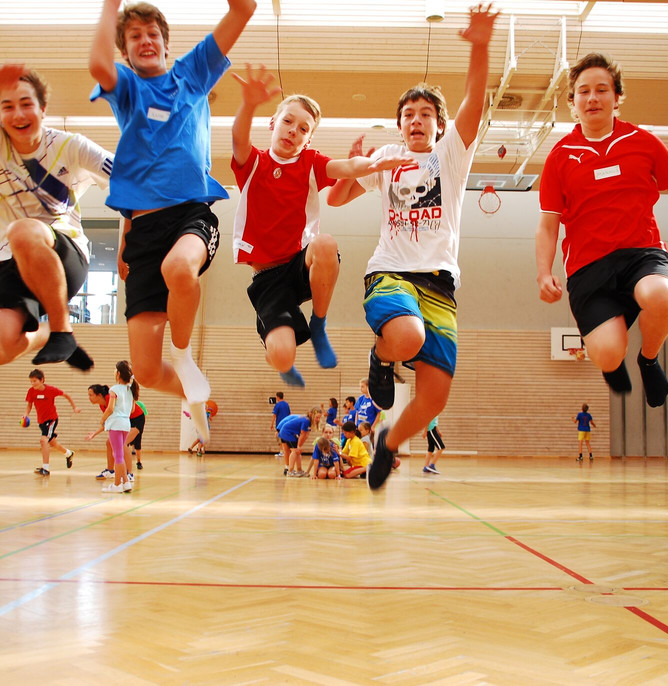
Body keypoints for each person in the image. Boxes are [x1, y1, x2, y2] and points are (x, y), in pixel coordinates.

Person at [326, 5, 499, 491]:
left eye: (426, 114)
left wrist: (480, 45)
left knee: (435, 398)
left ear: (439, 125)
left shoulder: (451, 155)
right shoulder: (387, 157)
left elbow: (475, 101)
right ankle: (381, 358)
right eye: (408, 115)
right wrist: (356, 165)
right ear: (400, 125)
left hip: (439, 282)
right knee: (407, 336)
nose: (416, 121)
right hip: (392, 272)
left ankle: (388, 442)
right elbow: (336, 199)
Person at [534, 53, 668, 409]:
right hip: (589, 268)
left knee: (661, 296)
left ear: (617, 97)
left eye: (602, 89)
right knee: (606, 353)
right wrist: (544, 272)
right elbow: (548, 223)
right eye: (583, 91)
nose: (592, 98)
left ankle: (648, 359)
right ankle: (613, 361)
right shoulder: (561, 155)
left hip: (641, 254)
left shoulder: (643, 141)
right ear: (572, 102)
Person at [89, 0, 257, 445]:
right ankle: (192, 395)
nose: (145, 41)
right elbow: (98, 65)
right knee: (144, 371)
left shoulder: (192, 74)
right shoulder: (127, 88)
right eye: (134, 36)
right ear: (125, 50)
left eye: (152, 34)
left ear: (166, 42)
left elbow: (244, 11)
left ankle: (182, 355)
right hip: (143, 232)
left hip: (190, 215)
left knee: (180, 269)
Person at [230, 66, 411, 386]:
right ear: (272, 123)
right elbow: (238, 138)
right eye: (287, 122)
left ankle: (319, 323)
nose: (293, 131)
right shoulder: (254, 163)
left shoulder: (310, 163)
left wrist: (374, 164)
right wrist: (248, 104)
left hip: (301, 264)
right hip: (269, 279)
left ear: (309, 139)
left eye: (303, 129)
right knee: (282, 356)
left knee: (325, 243)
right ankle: (273, 349)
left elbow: (347, 166)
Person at [0, 65, 113, 372]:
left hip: (62, 254)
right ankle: (45, 334)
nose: (18, 115)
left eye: (26, 104)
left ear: (43, 108)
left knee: (23, 231)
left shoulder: (69, 145)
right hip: (10, 262)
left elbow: (128, 177)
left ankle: (62, 330)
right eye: (7, 107)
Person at [87, 361, 137, 493]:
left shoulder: (114, 389)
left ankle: (116, 485)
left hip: (116, 424)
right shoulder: (130, 390)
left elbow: (110, 409)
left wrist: (102, 419)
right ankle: (126, 482)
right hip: (126, 424)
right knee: (119, 454)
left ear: (118, 373)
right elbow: (132, 410)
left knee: (118, 455)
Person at [24, 369, 78, 475]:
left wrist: (74, 407)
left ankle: (46, 468)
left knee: (43, 440)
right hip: (41, 421)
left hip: (51, 420)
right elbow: (29, 405)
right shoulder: (31, 391)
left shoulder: (51, 390)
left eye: (35, 381)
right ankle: (68, 454)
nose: (33, 383)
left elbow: (66, 395)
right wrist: (26, 414)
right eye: (31, 381)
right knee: (52, 442)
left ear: (42, 380)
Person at [277, 407, 322, 477]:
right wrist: (299, 446)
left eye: (319, 418)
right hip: (287, 433)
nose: (318, 419)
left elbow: (306, 436)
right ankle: (290, 471)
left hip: (289, 433)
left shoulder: (309, 422)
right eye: (317, 417)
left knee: (298, 452)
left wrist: (300, 446)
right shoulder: (306, 421)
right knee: (295, 451)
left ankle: (299, 470)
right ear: (311, 415)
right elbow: (302, 434)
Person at [87, 384, 117, 480]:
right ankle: (111, 471)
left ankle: (128, 474)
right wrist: (95, 433)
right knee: (110, 443)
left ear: (99, 395)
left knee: (121, 445)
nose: (89, 398)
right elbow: (107, 423)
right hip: (119, 423)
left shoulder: (109, 399)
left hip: (134, 419)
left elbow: (111, 414)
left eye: (91, 395)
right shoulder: (102, 405)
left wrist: (102, 419)